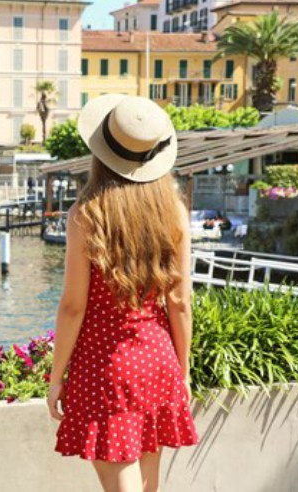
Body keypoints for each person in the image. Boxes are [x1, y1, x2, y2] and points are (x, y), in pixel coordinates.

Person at [48, 94, 199, 492]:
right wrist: (182, 371)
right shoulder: (174, 211)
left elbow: (72, 306)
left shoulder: (88, 213)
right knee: (148, 486)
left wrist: (56, 375)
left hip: (106, 367)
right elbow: (180, 302)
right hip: (159, 361)